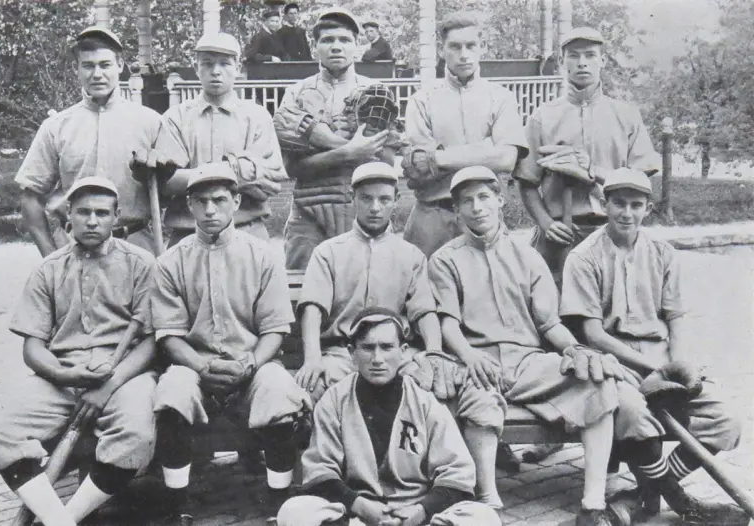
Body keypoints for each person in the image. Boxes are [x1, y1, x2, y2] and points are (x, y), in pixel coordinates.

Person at [422, 165, 626, 525]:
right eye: (466, 201)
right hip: (477, 360)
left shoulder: (527, 256)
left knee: (597, 384)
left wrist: (574, 349)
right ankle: (488, 501)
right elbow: (447, 323)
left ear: (500, 200)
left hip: (528, 363)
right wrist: (469, 357)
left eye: (484, 197)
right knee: (480, 398)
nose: (476, 207)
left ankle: (593, 504)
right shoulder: (445, 260)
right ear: (456, 211)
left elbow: (549, 323)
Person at [560, 168, 747, 526]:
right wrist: (651, 370)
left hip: (660, 360)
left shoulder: (662, 253)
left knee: (726, 422)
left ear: (648, 208)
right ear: (604, 204)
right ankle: (684, 504)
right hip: (613, 363)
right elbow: (594, 335)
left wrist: (679, 367)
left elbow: (676, 317)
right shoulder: (583, 257)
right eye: (618, 203)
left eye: (636, 205)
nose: (626, 213)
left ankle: (645, 493)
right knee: (632, 415)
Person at [512, 26, 660, 464]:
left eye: (590, 55)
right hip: (558, 235)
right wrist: (544, 222)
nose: (581, 63)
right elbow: (526, 183)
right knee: (552, 326)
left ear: (601, 61)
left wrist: (593, 172)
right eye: (573, 55)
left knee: (605, 324)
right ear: (562, 62)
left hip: (608, 232)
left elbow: (641, 178)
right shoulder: (543, 116)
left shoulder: (624, 113)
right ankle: (551, 428)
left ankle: (617, 417)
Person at [0, 177, 158, 526]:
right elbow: (33, 346)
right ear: (67, 218)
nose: (93, 220)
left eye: (102, 213)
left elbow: (152, 341)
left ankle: (67, 517)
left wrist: (110, 384)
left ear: (116, 217)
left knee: (135, 432)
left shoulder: (141, 263)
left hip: (122, 375)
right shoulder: (49, 269)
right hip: (61, 373)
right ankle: (60, 521)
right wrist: (63, 375)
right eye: (84, 212)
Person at [151, 162, 312, 526]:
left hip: (250, 363)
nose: (210, 210)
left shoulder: (263, 255)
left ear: (236, 201)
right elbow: (169, 335)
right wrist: (201, 367)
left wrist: (250, 364)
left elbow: (275, 328)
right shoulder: (170, 262)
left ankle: (277, 504)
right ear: (189, 205)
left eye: (220, 200)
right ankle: (179, 507)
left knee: (278, 388)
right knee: (173, 390)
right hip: (194, 365)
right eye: (201, 201)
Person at [277, 307, 502, 526]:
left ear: (403, 351)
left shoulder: (424, 401)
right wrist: (359, 506)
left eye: (386, 347)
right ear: (351, 352)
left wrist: (421, 511)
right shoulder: (334, 401)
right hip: (357, 514)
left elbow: (457, 472)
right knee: (294, 512)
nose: (377, 358)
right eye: (367, 348)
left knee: (484, 518)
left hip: (414, 512)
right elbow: (320, 471)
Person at [295, 162, 441, 403]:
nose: (375, 207)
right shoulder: (328, 252)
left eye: (384, 199)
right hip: (343, 354)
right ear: (352, 199)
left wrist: (434, 353)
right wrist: (313, 358)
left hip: (395, 354)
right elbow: (313, 308)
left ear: (396, 199)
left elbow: (424, 311)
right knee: (306, 392)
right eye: (366, 198)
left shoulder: (411, 255)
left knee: (430, 384)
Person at [16, 27, 163, 257]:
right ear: (77, 69)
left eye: (105, 65)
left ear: (120, 65)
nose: (97, 74)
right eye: (88, 65)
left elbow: (172, 191)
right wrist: (50, 258)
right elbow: (31, 198)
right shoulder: (57, 127)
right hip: (73, 250)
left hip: (136, 251)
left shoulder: (150, 122)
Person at [274, 8, 396, 270]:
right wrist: (348, 152)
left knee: (369, 290)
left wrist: (321, 144)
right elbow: (291, 166)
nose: (336, 47)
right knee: (303, 289)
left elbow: (385, 163)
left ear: (357, 45)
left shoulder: (376, 92)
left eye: (344, 40)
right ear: (315, 46)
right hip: (309, 210)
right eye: (327, 40)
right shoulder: (297, 93)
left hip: (363, 211)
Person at [401, 13, 528, 258]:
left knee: (488, 291)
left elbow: (505, 159)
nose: (464, 54)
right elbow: (421, 167)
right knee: (425, 292)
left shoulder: (500, 98)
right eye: (455, 46)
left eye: (471, 46)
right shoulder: (422, 100)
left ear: (482, 48)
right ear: (442, 50)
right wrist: (485, 149)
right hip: (433, 216)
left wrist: (438, 157)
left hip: (484, 219)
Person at [152, 32, 288, 247]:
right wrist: (235, 169)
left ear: (238, 69)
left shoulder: (257, 116)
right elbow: (168, 181)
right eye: (207, 64)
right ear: (196, 69)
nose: (216, 71)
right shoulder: (176, 118)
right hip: (188, 233)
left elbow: (268, 185)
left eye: (225, 63)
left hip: (247, 230)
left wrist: (195, 176)